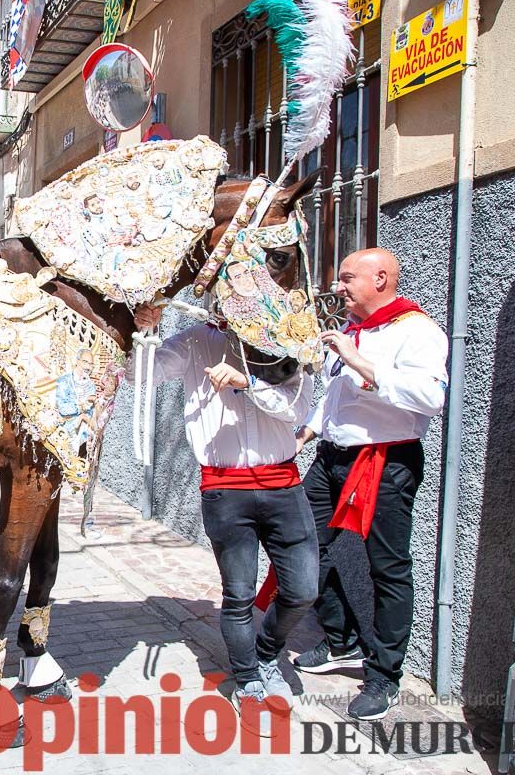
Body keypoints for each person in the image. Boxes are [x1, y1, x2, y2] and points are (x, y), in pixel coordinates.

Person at [134, 301, 316, 734]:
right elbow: (142, 376)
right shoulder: (199, 338)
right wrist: (143, 330)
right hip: (225, 489)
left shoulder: (290, 338)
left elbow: (297, 410)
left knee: (303, 589)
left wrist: (248, 382)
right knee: (237, 594)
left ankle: (267, 653)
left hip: (283, 486)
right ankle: (248, 679)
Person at [292, 248, 449, 721]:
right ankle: (341, 640)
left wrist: (362, 362)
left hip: (384, 459)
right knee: (301, 545)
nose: (338, 286)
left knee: (388, 568)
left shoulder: (418, 330)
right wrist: (305, 433)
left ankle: (384, 676)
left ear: (380, 278)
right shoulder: (351, 331)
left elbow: (431, 398)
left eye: (347, 278)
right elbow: (335, 400)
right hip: (331, 458)